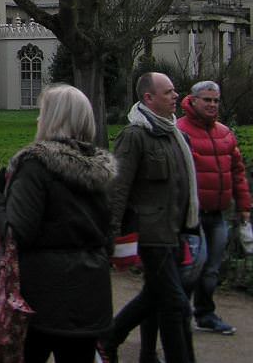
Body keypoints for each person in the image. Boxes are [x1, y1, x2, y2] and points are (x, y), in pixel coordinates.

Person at [0, 84, 115, 363]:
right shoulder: (99, 169)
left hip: (43, 296)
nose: (38, 119)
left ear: (53, 119)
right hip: (91, 293)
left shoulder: (36, 165)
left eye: (43, 113)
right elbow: (108, 233)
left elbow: (18, 232)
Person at [101, 72, 199, 363]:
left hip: (172, 232)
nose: (176, 96)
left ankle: (109, 339)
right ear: (148, 98)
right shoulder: (135, 136)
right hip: (150, 235)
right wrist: (112, 236)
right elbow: (117, 188)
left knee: (158, 299)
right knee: (174, 302)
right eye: (168, 92)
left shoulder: (173, 135)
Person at [177, 80, 250, 334]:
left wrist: (244, 206)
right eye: (207, 99)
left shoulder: (224, 133)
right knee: (192, 268)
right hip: (191, 217)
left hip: (217, 214)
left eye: (216, 100)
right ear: (193, 100)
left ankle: (205, 313)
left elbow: (237, 172)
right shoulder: (180, 132)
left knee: (211, 270)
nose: (212, 104)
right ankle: (180, 315)